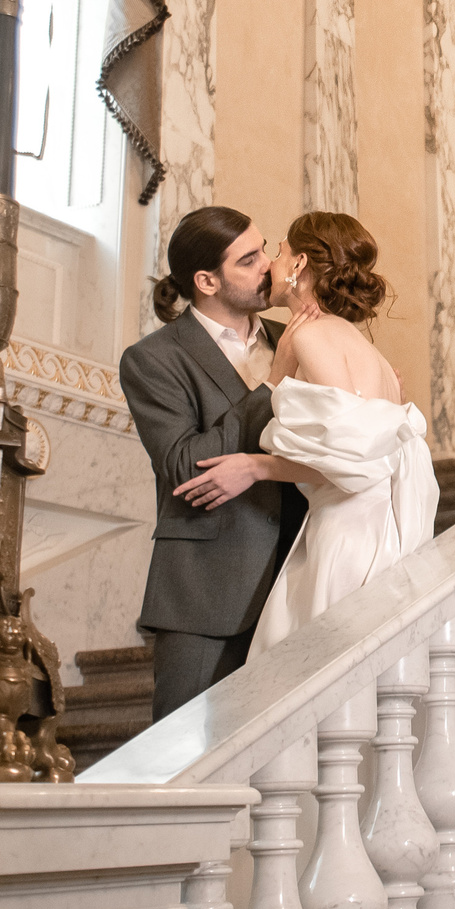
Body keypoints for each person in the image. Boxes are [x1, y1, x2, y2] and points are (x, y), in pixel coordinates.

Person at [176, 211, 439, 649]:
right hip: (377, 530)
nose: (268, 265)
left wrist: (257, 466)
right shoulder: (361, 344)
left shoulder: (309, 337)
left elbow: (347, 460)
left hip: (345, 536)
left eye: (276, 252)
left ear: (298, 266)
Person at [117, 207, 307, 720]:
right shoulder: (153, 359)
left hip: (302, 580)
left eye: (265, 248)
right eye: (249, 260)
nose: (269, 265)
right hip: (207, 592)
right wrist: (269, 387)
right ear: (206, 280)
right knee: (186, 761)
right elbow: (185, 464)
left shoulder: (291, 338)